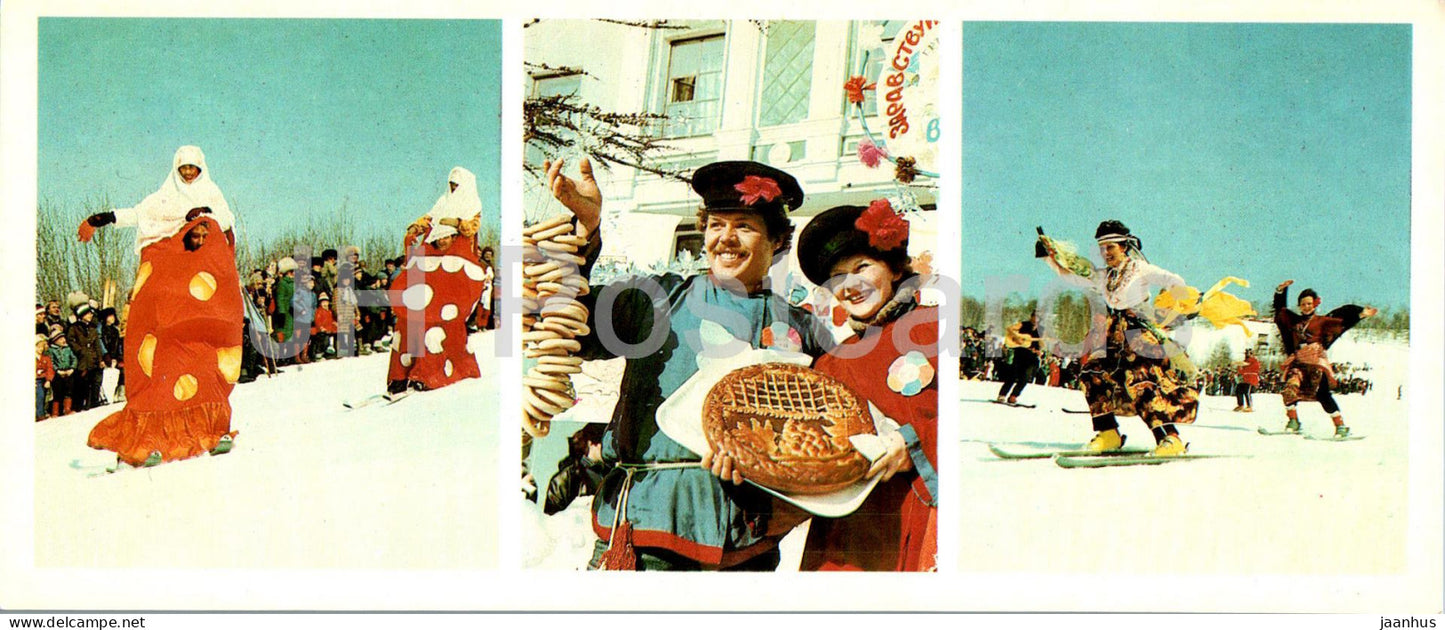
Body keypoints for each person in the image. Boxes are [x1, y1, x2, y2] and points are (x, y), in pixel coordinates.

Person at [544, 158, 833, 571]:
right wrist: (585, 228)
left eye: (744, 226)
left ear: (777, 240)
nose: (726, 238)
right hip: (644, 533)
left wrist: (787, 509)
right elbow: (568, 320)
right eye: (716, 225)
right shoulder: (659, 300)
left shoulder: (804, 330)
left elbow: (833, 438)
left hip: (746, 547)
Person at [793, 201, 938, 572]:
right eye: (837, 277)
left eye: (861, 268)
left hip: (919, 524)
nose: (850, 286)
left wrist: (914, 445)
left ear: (894, 268)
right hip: (847, 544)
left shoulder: (938, 329)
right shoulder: (831, 363)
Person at [77, 145, 243, 467]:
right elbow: (138, 214)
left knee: (203, 366)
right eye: (184, 168)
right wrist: (101, 219)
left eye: (194, 168)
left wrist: (204, 215)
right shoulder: (162, 199)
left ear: (202, 169)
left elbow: (224, 221)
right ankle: (150, 439)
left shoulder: (212, 194)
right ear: (175, 169)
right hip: (169, 303)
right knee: (161, 371)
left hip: (198, 305)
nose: (189, 173)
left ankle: (212, 431)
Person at [1040, 220, 1199, 456]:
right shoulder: (1105, 276)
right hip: (1113, 334)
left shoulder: (1139, 268)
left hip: (1139, 332)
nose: (1105, 253)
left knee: (1141, 380)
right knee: (1092, 375)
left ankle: (1169, 438)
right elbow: (1071, 276)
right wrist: (1048, 258)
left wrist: (1175, 305)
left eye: (1110, 247)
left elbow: (1173, 280)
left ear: (1124, 246)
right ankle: (1108, 434)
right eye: (1102, 248)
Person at [386, 167, 487, 393]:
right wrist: (416, 227)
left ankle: (430, 372)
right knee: (409, 321)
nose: (453, 188)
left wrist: (455, 223)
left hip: (454, 271)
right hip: (432, 269)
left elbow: (470, 227)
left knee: (436, 325)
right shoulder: (442, 202)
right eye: (451, 184)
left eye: (457, 185)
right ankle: (400, 374)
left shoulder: (472, 204)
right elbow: (429, 218)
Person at [1272, 280, 1376, 437]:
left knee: (1323, 395)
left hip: (1316, 363)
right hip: (1298, 364)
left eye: (1309, 303)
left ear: (1314, 304)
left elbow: (1342, 323)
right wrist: (1280, 291)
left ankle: (1340, 427)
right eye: (1303, 304)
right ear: (1299, 306)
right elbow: (1280, 312)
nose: (1306, 306)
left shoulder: (1322, 321)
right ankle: (1293, 421)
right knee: (1289, 389)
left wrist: (1360, 314)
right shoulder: (1294, 321)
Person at [996, 311, 1042, 406]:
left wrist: (1038, 350)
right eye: (1035, 316)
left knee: (1026, 377)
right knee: (1013, 374)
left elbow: (1040, 343)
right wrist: (1017, 337)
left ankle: (1014, 395)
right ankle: (1002, 394)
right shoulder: (1023, 324)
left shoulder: (1041, 329)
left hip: (1032, 355)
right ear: (1032, 316)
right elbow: (1009, 329)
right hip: (1020, 352)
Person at [66, 304, 104, 411]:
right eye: (88, 314)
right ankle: (77, 406)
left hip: (93, 359)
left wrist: (100, 359)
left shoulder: (92, 328)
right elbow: (70, 341)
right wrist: (80, 350)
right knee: (81, 383)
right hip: (81, 360)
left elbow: (97, 345)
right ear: (82, 315)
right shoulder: (74, 328)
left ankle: (92, 404)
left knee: (94, 383)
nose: (91, 315)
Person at [46, 330, 77, 417]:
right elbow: (51, 362)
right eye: (60, 339)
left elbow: (74, 358)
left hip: (68, 372)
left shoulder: (68, 349)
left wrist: (72, 368)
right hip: (58, 373)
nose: (63, 340)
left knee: (68, 391)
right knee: (57, 392)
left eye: (63, 338)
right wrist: (57, 370)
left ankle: (67, 409)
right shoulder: (51, 350)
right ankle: (55, 411)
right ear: (55, 341)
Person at [36, 334, 56, 421]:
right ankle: (40, 414)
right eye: (38, 347)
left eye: (42, 347)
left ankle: (44, 411)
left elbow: (50, 369)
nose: (41, 349)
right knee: (39, 396)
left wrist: (48, 380)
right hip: (37, 380)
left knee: (46, 397)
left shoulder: (46, 358)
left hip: (44, 379)